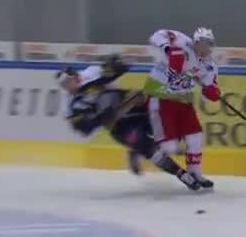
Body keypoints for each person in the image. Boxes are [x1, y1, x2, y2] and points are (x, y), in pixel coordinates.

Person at [57, 56, 201, 191]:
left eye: (69, 81)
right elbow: (83, 130)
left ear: (76, 76)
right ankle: (181, 174)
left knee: (171, 122)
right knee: (147, 148)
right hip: (118, 125)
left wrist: (114, 67)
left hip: (132, 104)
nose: (68, 86)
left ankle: (137, 150)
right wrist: (98, 119)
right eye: (64, 85)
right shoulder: (69, 106)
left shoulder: (92, 72)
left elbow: (121, 65)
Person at [144, 27, 219, 189]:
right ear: (195, 42)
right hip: (160, 96)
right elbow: (156, 35)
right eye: (203, 43)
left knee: (195, 136)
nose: (206, 47)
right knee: (170, 146)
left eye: (209, 44)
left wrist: (211, 91)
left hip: (183, 99)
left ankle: (195, 172)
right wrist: (168, 49)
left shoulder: (209, 65)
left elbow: (209, 89)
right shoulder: (181, 42)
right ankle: (151, 149)